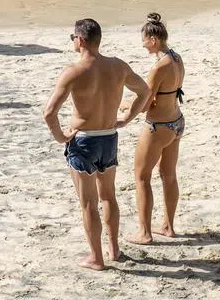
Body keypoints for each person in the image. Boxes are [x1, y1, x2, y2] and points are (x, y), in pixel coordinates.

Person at [43, 18, 150, 271]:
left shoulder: (74, 71)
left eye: (73, 38)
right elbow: (144, 92)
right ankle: (114, 249)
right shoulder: (118, 66)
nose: (73, 41)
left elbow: (49, 113)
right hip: (109, 137)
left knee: (88, 203)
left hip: (84, 140)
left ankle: (96, 258)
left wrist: (61, 137)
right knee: (109, 196)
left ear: (80, 40)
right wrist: (127, 118)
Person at [126, 14, 185, 245]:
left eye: (143, 39)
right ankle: (168, 226)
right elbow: (165, 94)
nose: (142, 44)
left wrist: (123, 114)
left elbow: (144, 104)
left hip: (158, 126)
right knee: (168, 175)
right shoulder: (176, 58)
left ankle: (144, 233)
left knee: (142, 177)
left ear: (152, 39)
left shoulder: (159, 68)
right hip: (176, 122)